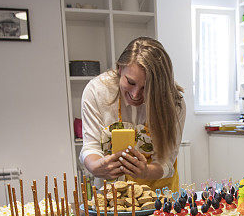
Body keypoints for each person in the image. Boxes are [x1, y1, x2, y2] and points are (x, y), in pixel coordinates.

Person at [79, 37, 185, 192]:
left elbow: (166, 163)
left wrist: (146, 171)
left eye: (147, 88)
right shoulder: (97, 91)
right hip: (112, 195)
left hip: (159, 196)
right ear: (120, 69)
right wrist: (96, 167)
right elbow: (91, 147)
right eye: (131, 82)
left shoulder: (174, 103)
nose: (136, 95)